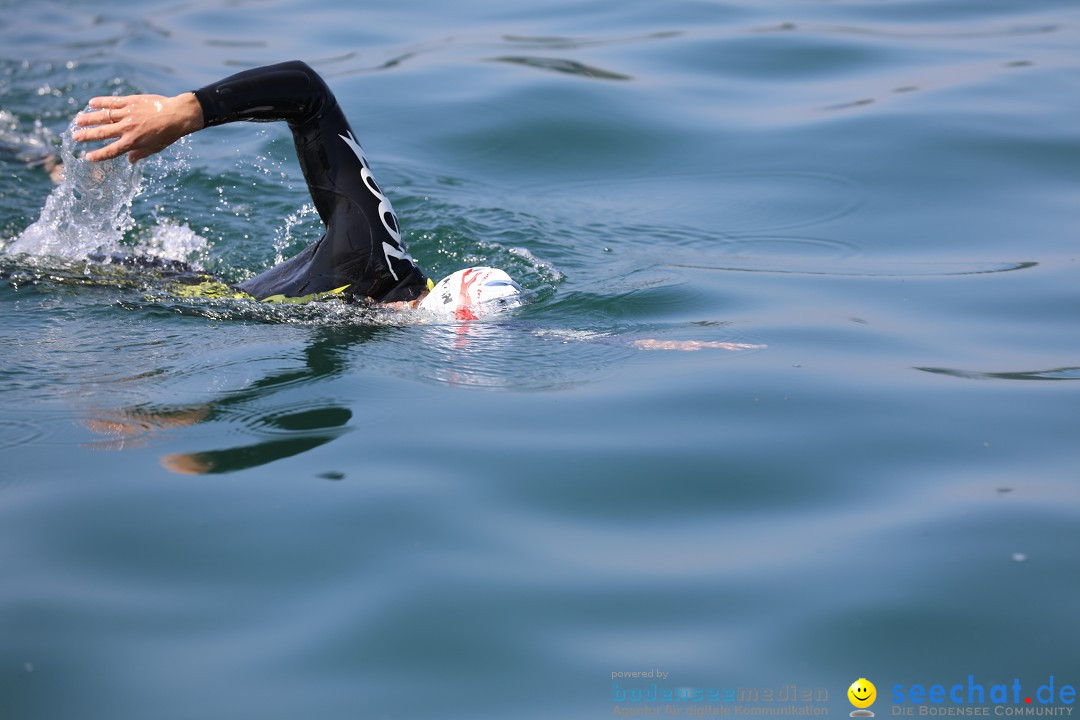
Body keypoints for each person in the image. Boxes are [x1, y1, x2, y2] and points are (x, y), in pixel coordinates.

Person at [72, 60, 521, 318]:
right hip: (140, 283)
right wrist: (188, 111)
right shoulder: (369, 249)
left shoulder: (368, 326)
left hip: (200, 295)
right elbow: (308, 91)